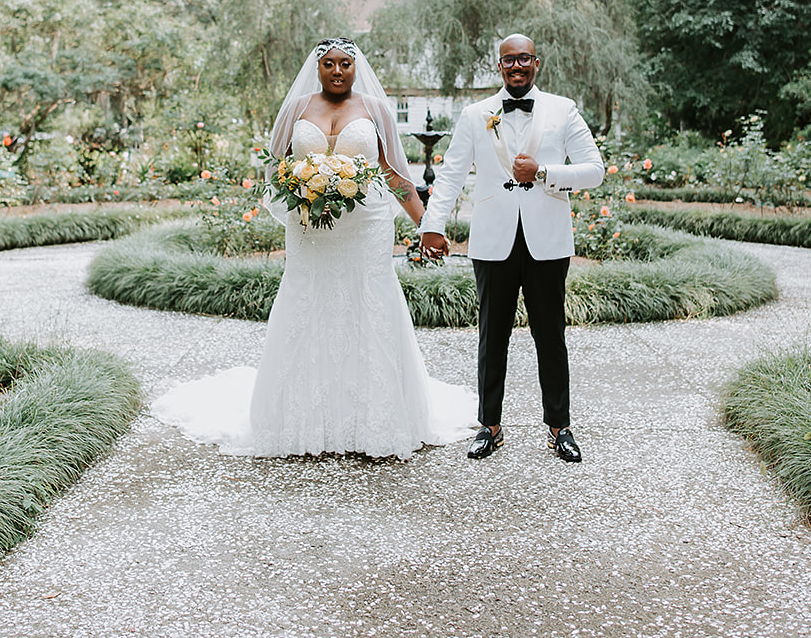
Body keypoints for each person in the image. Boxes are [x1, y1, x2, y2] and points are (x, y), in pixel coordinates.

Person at [151, 38, 473, 459]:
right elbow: (276, 169)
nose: (337, 71)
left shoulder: (376, 109)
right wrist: (298, 191)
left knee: (369, 303)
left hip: (366, 227)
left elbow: (395, 174)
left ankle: (374, 420)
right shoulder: (296, 108)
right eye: (328, 64)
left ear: (356, 68)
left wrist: (428, 226)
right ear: (316, 68)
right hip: (309, 227)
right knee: (309, 302)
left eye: (345, 64)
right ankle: (301, 418)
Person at [419, 34, 604, 462]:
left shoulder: (563, 109)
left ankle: (560, 427)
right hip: (492, 240)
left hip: (548, 240)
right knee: (491, 336)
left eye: (523, 59)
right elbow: (449, 176)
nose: (516, 67)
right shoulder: (475, 114)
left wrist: (543, 172)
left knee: (551, 336)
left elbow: (593, 170)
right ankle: (489, 425)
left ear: (536, 62)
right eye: (508, 61)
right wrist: (432, 224)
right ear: (498, 66)